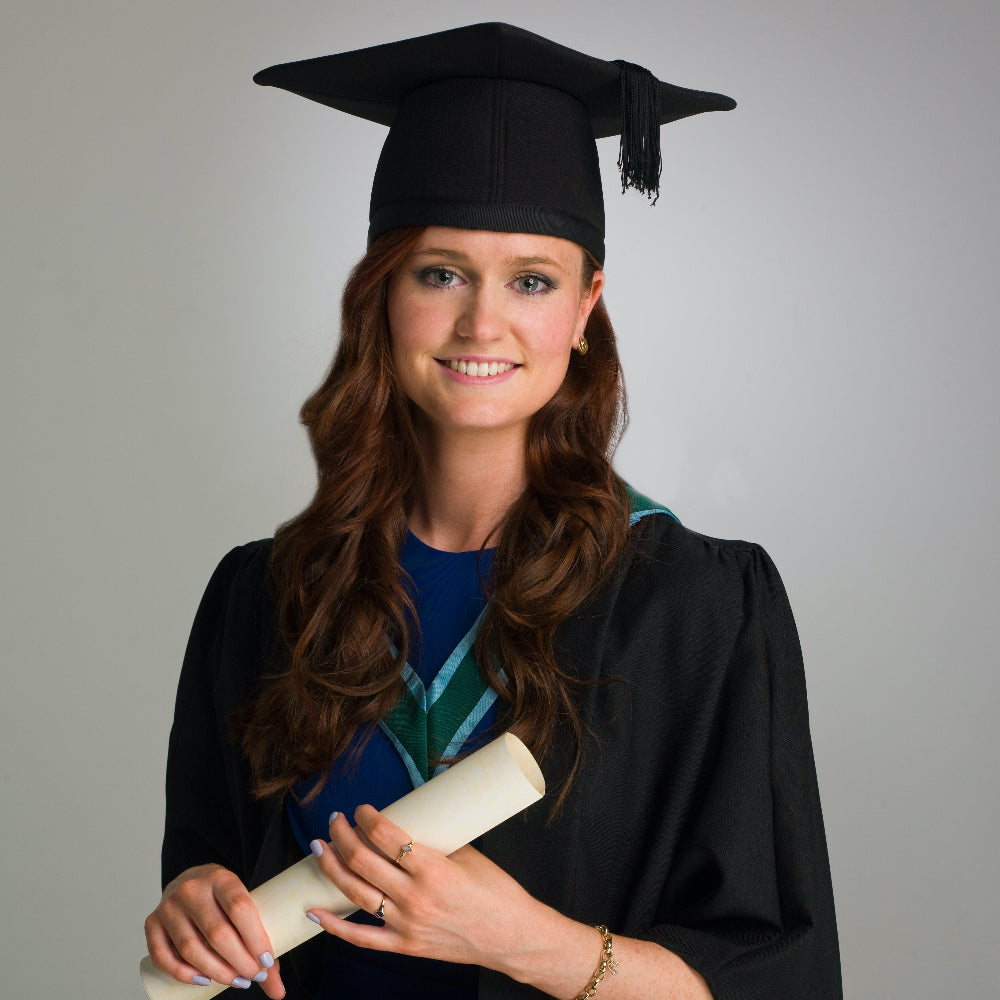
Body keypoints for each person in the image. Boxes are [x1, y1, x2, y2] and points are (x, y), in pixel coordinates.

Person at [143, 22, 842, 1000]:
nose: (481, 321)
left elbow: (776, 977)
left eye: (530, 279)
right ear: (383, 293)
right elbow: (209, 871)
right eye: (440, 273)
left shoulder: (695, 611)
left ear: (585, 305)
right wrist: (194, 897)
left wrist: (526, 943)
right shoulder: (262, 598)